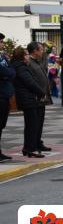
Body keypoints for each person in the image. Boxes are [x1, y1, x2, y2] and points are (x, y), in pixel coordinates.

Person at [11, 46, 46, 158]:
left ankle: (28, 148)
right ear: (22, 57)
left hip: (27, 98)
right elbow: (29, 82)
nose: (27, 56)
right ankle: (30, 148)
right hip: (27, 98)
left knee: (31, 124)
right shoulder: (21, 68)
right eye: (26, 54)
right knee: (32, 124)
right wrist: (41, 92)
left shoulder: (20, 66)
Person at [27, 42, 52, 153]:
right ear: (35, 51)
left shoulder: (37, 61)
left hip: (42, 97)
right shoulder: (29, 63)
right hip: (36, 97)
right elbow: (30, 81)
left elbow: (44, 69)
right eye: (41, 50)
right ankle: (33, 144)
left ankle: (38, 142)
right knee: (34, 123)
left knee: (40, 121)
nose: (42, 52)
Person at [0, 33, 15, 162]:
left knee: (1, 125)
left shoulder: (2, 57)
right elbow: (4, 71)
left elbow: (11, 71)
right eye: (0, 41)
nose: (2, 44)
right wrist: (7, 74)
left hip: (5, 94)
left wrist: (7, 74)